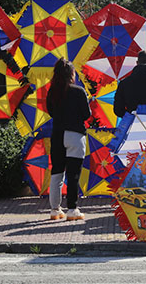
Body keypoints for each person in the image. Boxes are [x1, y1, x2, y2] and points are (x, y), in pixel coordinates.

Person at [46, 58, 91, 221]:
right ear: (71, 74)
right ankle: (72, 209)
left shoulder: (52, 92)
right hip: (75, 135)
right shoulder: (79, 91)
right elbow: (87, 115)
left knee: (57, 173)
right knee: (73, 174)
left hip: (57, 135)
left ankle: (54, 210)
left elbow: (51, 112)